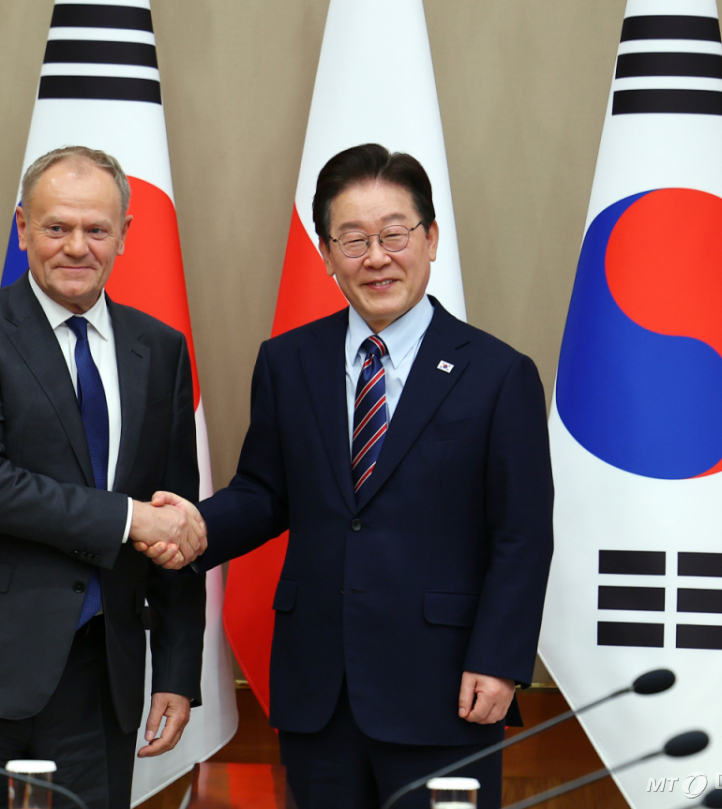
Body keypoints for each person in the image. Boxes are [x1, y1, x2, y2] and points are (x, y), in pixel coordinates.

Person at [147, 144, 554, 809]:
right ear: (327, 253)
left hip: (447, 686)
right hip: (319, 686)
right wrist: (193, 525)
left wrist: (500, 658)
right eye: (354, 240)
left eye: (395, 235)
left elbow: (523, 534)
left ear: (430, 239)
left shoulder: (498, 374)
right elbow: (265, 493)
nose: (377, 257)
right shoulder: (288, 362)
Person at [0, 146, 207, 809]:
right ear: (22, 228)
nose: (76, 247)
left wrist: (178, 671)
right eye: (57, 227)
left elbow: (173, 516)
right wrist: (129, 518)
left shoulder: (160, 349)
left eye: (96, 229)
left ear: (124, 234)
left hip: (102, 673)